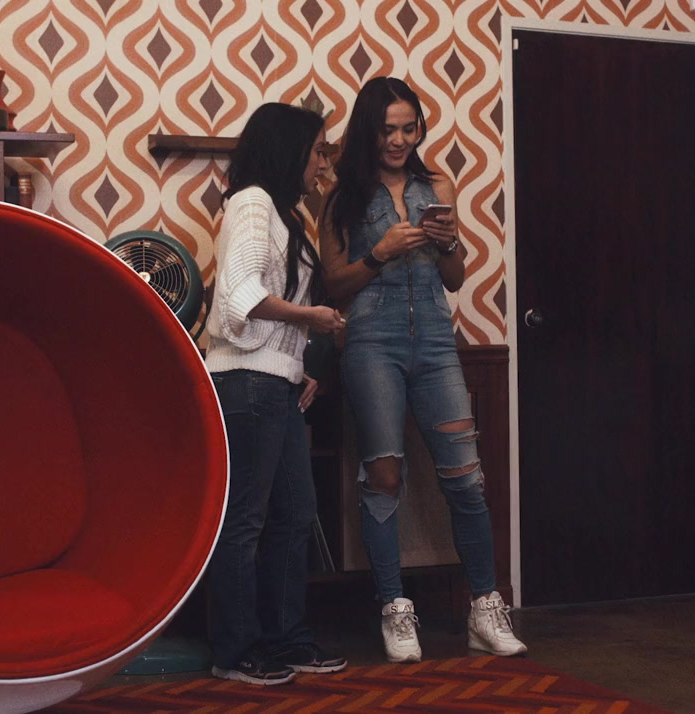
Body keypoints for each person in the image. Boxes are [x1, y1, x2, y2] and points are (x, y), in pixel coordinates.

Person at [320, 77, 527, 663]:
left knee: (466, 478)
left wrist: (448, 243)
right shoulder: (340, 198)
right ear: (369, 130)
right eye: (388, 129)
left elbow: (454, 278)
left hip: (436, 341)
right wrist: (379, 252)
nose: (399, 140)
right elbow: (334, 285)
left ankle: (485, 608)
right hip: (371, 343)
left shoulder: (436, 185)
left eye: (409, 128)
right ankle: (395, 608)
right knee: (384, 476)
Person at [205, 102, 348, 686]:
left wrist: (296, 363)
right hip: (247, 383)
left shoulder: (283, 212)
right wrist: (310, 318)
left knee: (293, 515)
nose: (322, 164)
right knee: (247, 520)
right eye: (317, 152)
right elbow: (239, 296)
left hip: (274, 382)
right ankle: (235, 652)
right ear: (289, 151)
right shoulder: (252, 203)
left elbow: (264, 306)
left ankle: (285, 640)